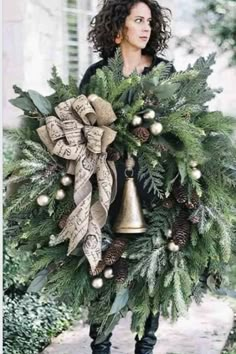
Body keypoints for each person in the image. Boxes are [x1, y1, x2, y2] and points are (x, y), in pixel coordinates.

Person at [79, 1, 175, 353]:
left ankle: (145, 346)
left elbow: (181, 127)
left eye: (149, 21)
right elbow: (81, 128)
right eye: (138, 20)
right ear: (119, 27)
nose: (146, 27)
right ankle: (100, 347)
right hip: (106, 186)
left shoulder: (164, 71)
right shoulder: (97, 73)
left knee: (150, 267)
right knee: (104, 265)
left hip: (153, 184)